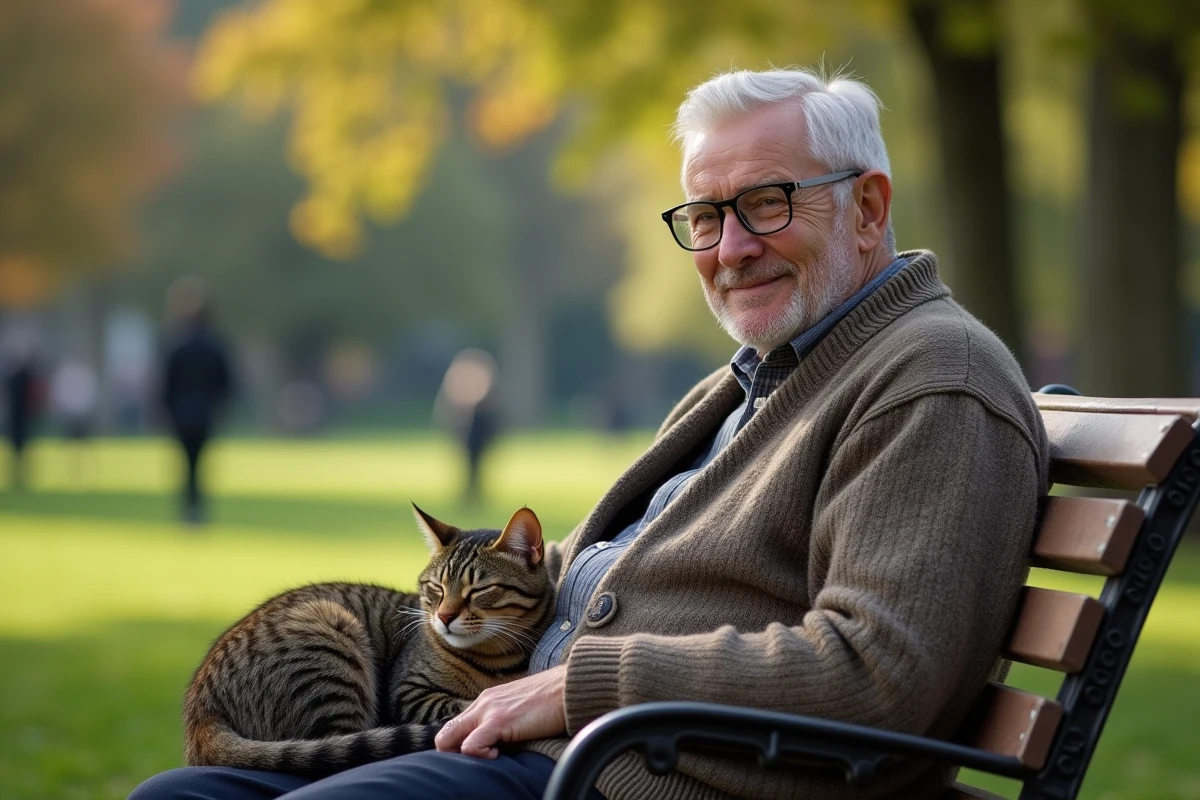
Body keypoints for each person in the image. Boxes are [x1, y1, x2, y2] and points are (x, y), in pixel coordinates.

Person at [129, 66, 1049, 800]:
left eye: (768, 202)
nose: (729, 249)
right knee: (180, 795)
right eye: (704, 216)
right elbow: (616, 563)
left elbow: (877, 669)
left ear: (871, 207)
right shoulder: (764, 373)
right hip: (560, 743)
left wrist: (580, 686)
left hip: (635, 772)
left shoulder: (931, 381)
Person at [161, 289, 233, 525]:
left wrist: (166, 410)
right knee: (199, 464)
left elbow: (167, 385)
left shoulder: (177, 347)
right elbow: (226, 384)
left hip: (182, 414)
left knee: (186, 464)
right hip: (206, 414)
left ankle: (189, 509)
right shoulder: (216, 346)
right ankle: (197, 509)